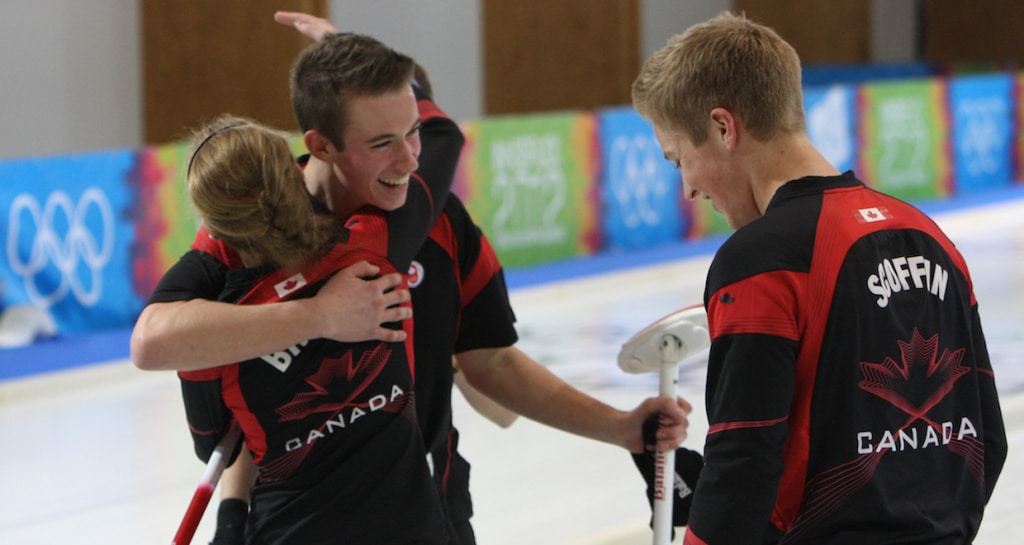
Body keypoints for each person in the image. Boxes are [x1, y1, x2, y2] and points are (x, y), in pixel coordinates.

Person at [131, 20, 691, 545]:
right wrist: (320, 315)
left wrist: (619, 427)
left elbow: (490, 362)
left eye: (413, 131)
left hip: (431, 509)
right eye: (381, 143)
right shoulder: (251, 231)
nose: (409, 159)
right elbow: (168, 348)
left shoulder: (439, 219)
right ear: (320, 143)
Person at [630, 11, 1008, 544]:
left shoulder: (761, 259)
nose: (689, 188)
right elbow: (986, 439)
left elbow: (744, 465)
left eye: (679, 160)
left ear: (722, 127)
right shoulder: (930, 236)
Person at [176, 114, 446, 543]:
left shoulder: (210, 338)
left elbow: (214, 445)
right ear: (294, 176)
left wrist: (230, 522)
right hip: (412, 524)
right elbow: (442, 140)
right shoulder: (374, 240)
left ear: (214, 226)